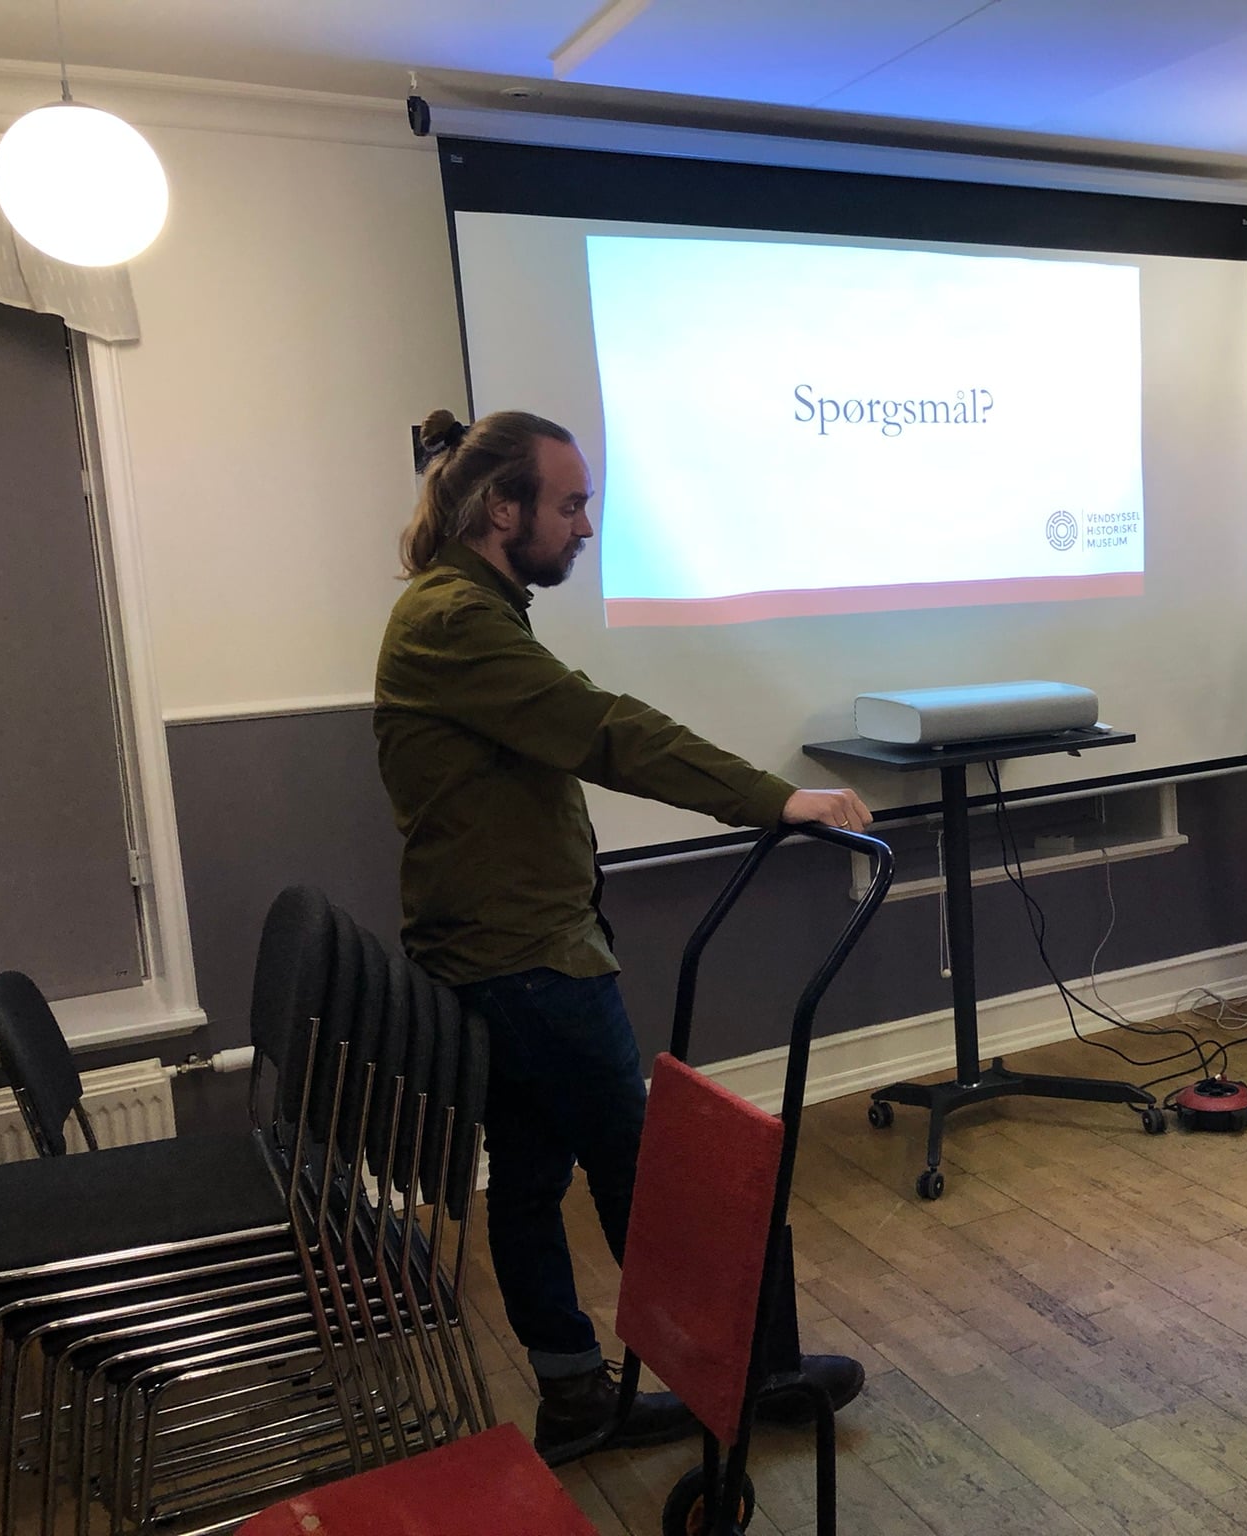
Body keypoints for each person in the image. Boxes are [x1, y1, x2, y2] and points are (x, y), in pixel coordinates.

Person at [375, 408, 874, 1465]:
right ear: (499, 509)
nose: (586, 526)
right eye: (569, 505)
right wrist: (774, 798)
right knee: (643, 1177)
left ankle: (572, 1396)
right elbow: (606, 731)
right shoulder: (455, 621)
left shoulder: (466, 609)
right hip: (526, 963)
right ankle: (742, 1378)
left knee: (528, 1178)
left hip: (500, 954)